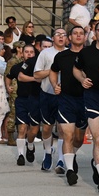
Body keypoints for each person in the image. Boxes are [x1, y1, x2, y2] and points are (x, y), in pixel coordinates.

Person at [73, 20, 99, 193]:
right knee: (97, 138)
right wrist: (82, 80)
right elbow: (76, 69)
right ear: (95, 33)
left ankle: (98, 162)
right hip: (93, 97)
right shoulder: (86, 52)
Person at [50, 25, 88, 185]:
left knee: (78, 139)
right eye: (75, 33)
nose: (78, 36)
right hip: (66, 100)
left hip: (86, 100)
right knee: (68, 135)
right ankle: (70, 170)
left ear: (85, 37)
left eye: (81, 33)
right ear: (69, 38)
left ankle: (72, 155)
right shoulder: (62, 56)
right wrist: (54, 85)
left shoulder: (90, 55)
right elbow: (53, 71)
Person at [34, 28, 67, 171]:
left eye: (63, 35)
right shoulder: (45, 53)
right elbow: (36, 75)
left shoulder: (70, 53)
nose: (61, 37)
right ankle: (48, 152)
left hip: (65, 96)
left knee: (63, 128)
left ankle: (60, 160)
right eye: (58, 35)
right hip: (47, 93)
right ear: (53, 38)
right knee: (47, 127)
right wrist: (54, 70)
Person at [10, 42, 41, 166]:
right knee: (22, 128)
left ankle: (30, 145)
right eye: (27, 52)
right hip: (21, 99)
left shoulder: (38, 67)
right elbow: (10, 76)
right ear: (22, 54)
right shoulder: (17, 67)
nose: (29, 54)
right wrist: (8, 86)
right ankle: (20, 155)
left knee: (33, 129)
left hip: (35, 99)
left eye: (31, 52)